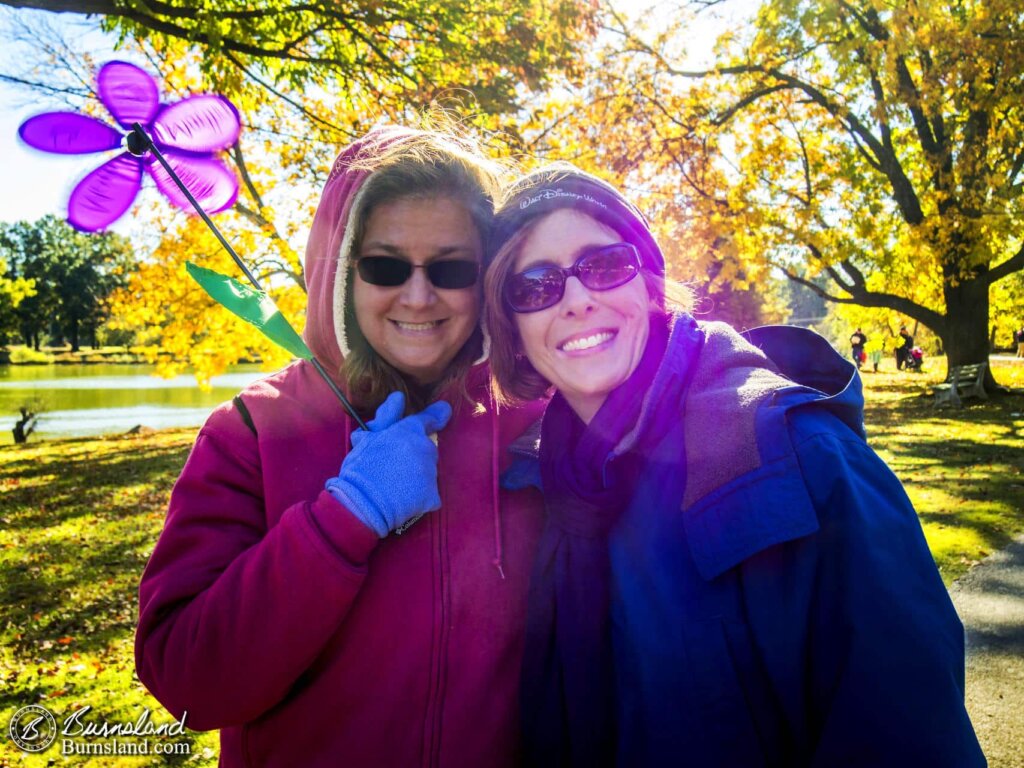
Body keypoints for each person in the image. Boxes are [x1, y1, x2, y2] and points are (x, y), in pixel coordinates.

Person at [483, 164, 984, 766]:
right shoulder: (540, 489)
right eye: (535, 285)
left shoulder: (804, 460)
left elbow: (912, 738)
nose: (578, 299)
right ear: (510, 326)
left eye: (604, 265)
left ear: (648, 283)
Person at [135, 126, 548, 767]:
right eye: (384, 266)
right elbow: (187, 682)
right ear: (339, 271)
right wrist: (345, 517)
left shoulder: (533, 423)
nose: (418, 295)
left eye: (452, 267)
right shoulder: (253, 431)